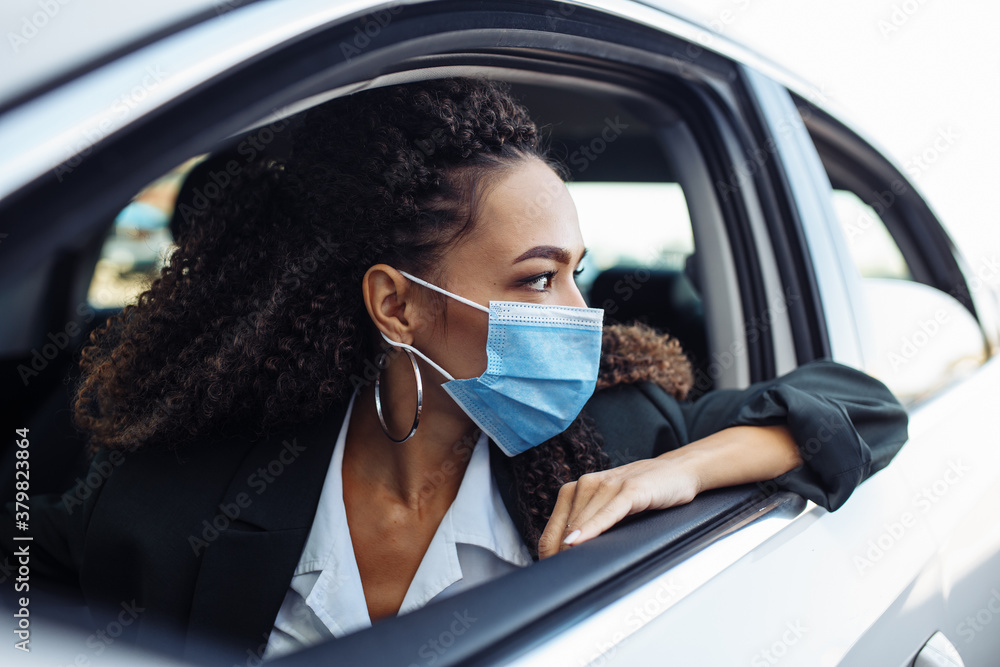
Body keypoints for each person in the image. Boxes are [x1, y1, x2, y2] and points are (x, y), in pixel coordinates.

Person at [3, 78, 907, 662]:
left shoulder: (623, 432)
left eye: (576, 274)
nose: (579, 315)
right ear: (396, 304)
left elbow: (864, 410)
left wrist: (678, 470)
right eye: (536, 278)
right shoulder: (181, 482)